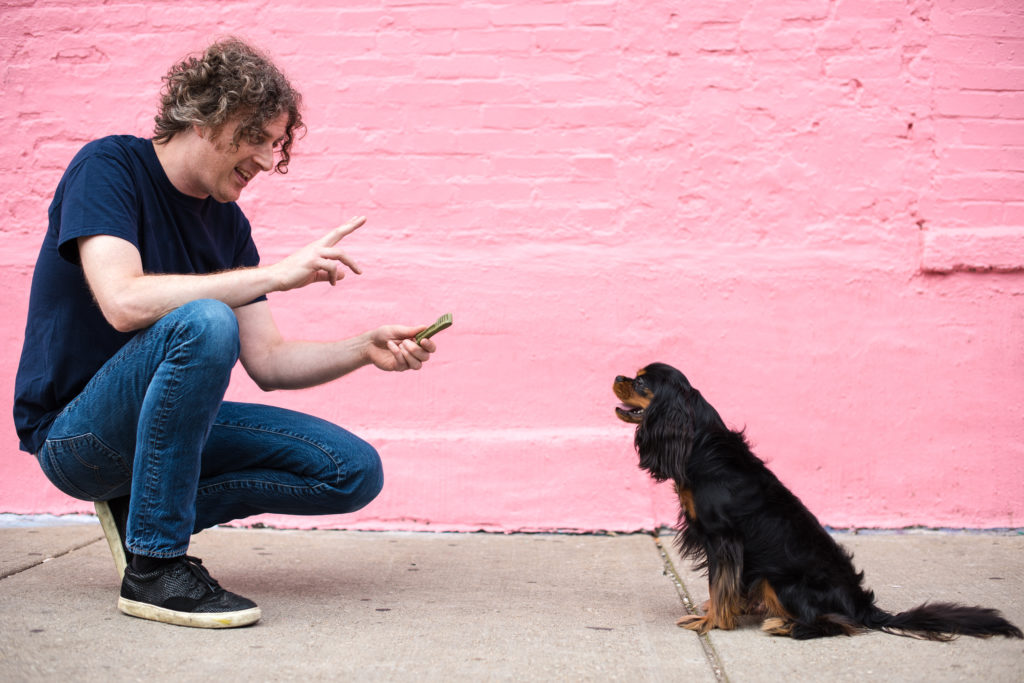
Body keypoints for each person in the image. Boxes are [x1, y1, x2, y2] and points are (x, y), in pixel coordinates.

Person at [12, 37, 437, 629]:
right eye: (257, 137)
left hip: (163, 432)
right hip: (79, 436)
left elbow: (269, 361)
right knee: (206, 319)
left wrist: (361, 349)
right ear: (208, 116)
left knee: (350, 469)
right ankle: (156, 567)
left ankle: (143, 511)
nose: (268, 160)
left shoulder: (229, 226)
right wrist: (275, 276)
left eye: (276, 144)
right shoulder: (108, 168)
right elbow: (123, 301)